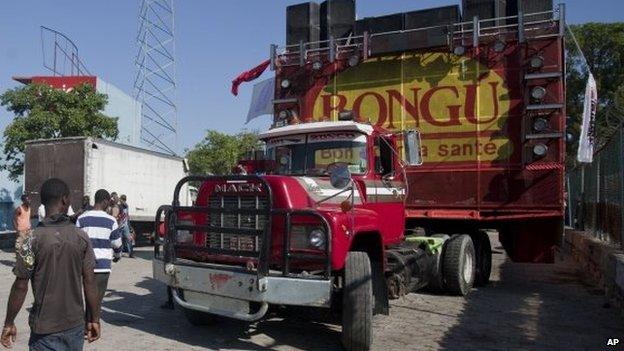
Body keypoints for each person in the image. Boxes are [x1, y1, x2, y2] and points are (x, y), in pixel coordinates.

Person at [1, 178, 101, 350]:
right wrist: (94, 319)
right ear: (65, 200)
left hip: (44, 329)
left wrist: (9, 323)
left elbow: (20, 285)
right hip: (74, 326)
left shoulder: (30, 240)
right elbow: (89, 281)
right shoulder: (81, 237)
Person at [76, 189, 123, 322]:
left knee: (88, 295)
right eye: (108, 202)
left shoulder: (81, 219)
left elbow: (77, 242)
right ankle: (91, 325)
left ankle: (87, 323)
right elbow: (117, 244)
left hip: (85, 266)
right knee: (98, 298)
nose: (109, 205)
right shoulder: (111, 221)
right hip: (102, 266)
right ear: (104, 201)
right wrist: (118, 255)